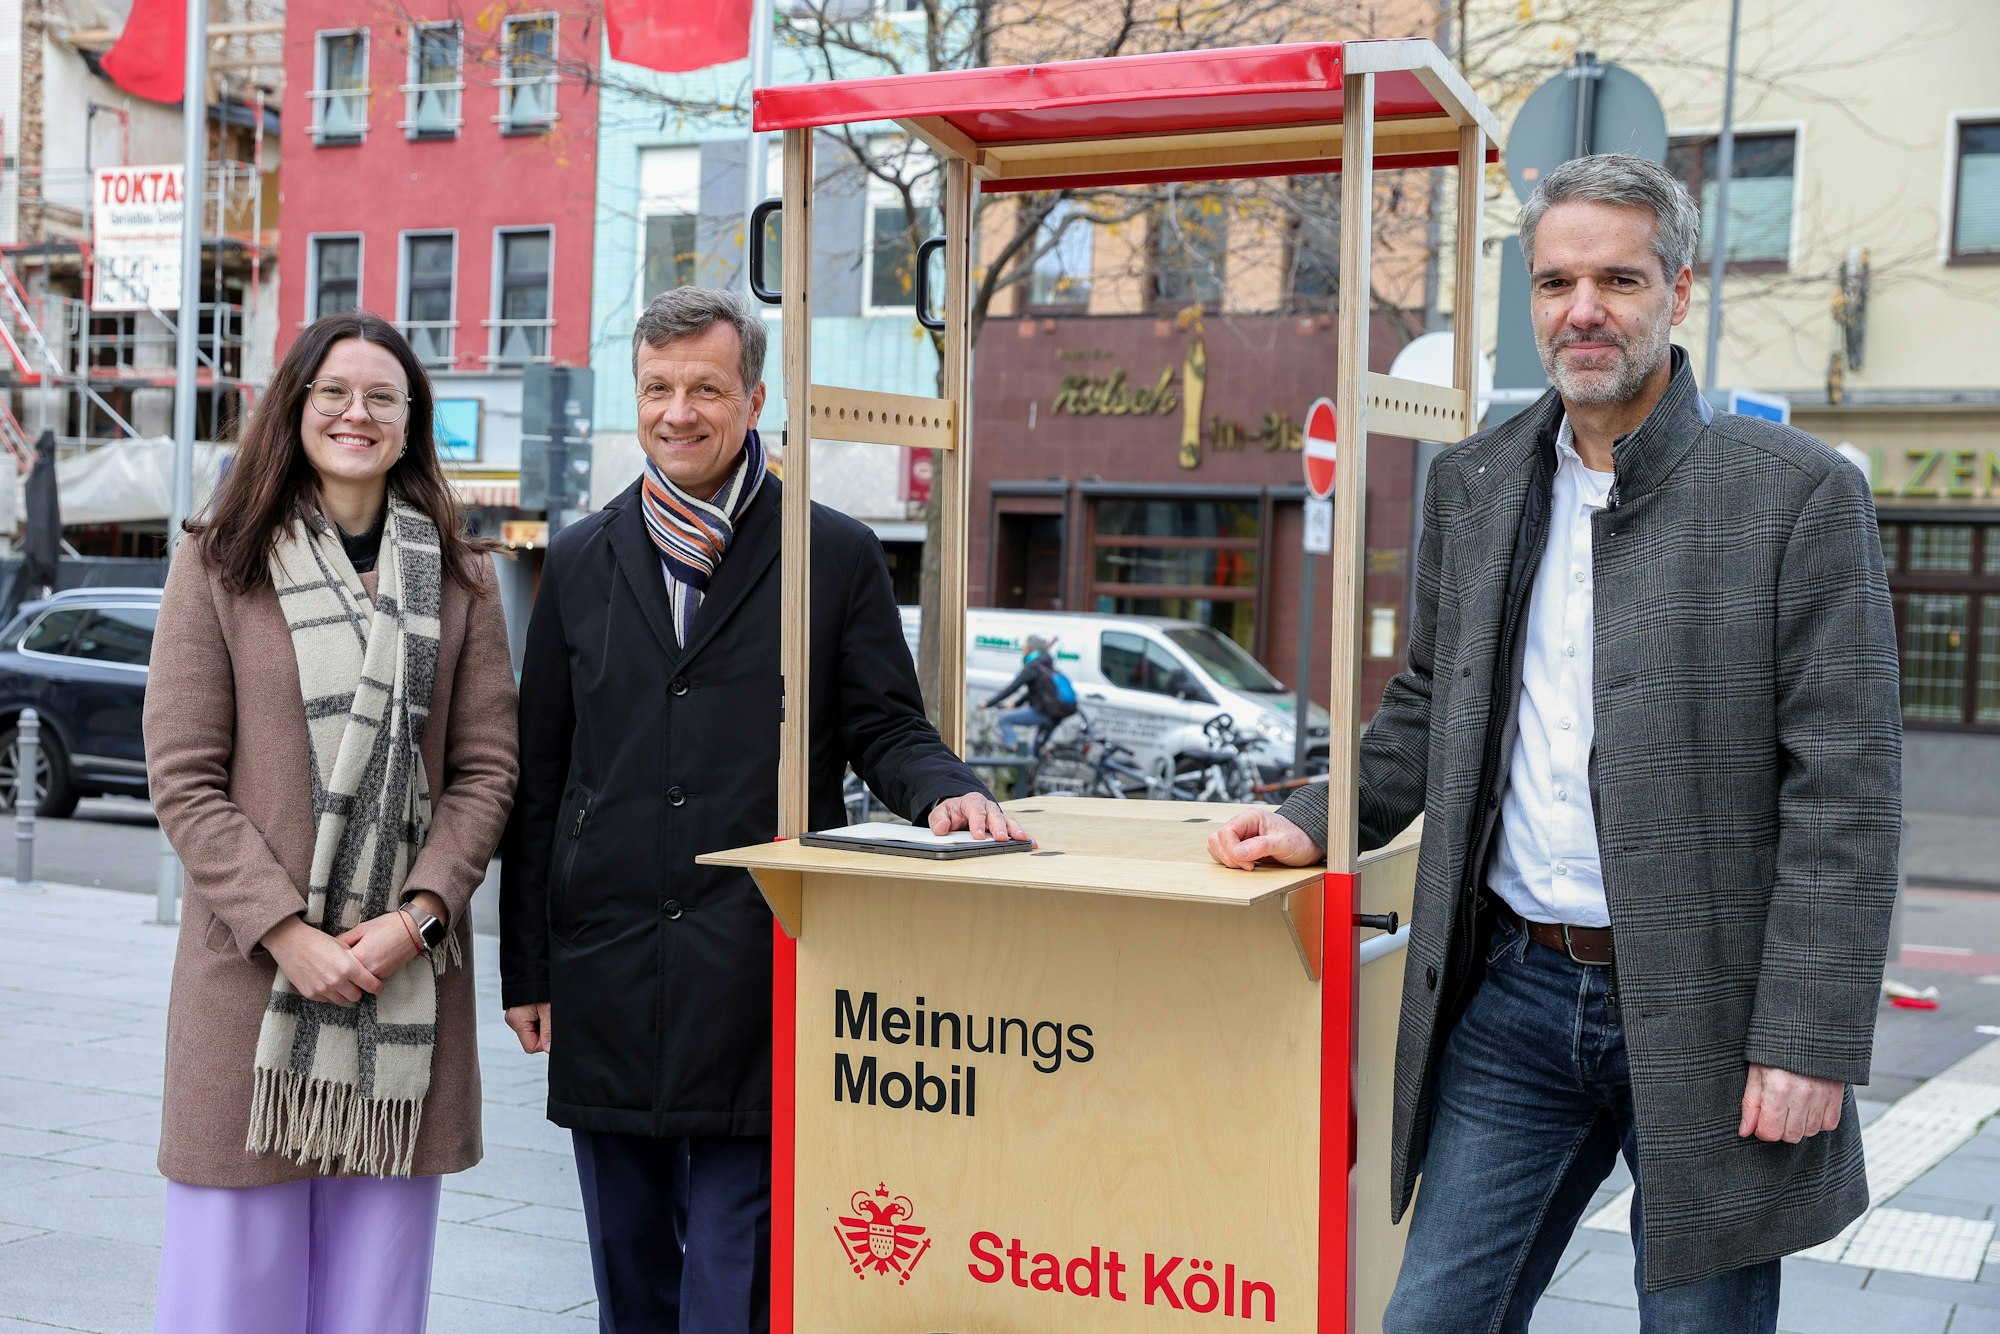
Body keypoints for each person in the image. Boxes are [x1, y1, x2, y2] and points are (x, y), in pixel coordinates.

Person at [1209, 154, 1900, 1332]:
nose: (1582, 310)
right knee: (1430, 1315)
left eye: (1617, 279)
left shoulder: (1791, 495)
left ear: (1676, 292)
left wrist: (1806, 1036)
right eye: (1554, 281)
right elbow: (1432, 704)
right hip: (1516, 994)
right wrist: (1314, 817)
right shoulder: (1473, 484)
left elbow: (1843, 789)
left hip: (1708, 1008)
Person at [500, 285, 1023, 1334]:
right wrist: (528, 968)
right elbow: (541, 776)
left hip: (758, 962)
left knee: (735, 1278)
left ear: (753, 399)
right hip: (606, 964)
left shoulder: (830, 551)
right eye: (656, 388)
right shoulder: (581, 559)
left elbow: (884, 724)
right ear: (634, 395)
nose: (677, 412)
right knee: (629, 1270)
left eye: (705, 387)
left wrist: (948, 791)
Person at [145, 310, 519, 1332]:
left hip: (404, 986)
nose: (358, 412)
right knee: (232, 1298)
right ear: (295, 407)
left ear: (410, 422)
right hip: (248, 987)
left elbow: (486, 772)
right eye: (335, 392)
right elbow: (183, 777)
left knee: (375, 1303)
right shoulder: (219, 560)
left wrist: (418, 917)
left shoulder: (461, 578)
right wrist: (288, 932)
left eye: (382, 396)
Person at [984, 634, 1077, 753]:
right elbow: (1035, 691)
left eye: (1025, 645)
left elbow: (1012, 688)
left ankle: (1014, 750)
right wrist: (1016, 704)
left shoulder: (1032, 667)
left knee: (1004, 720)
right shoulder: (1045, 665)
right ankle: (1034, 763)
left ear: (1030, 648)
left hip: (1045, 711)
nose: (1023, 647)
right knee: (1035, 752)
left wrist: (988, 703)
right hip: (1059, 710)